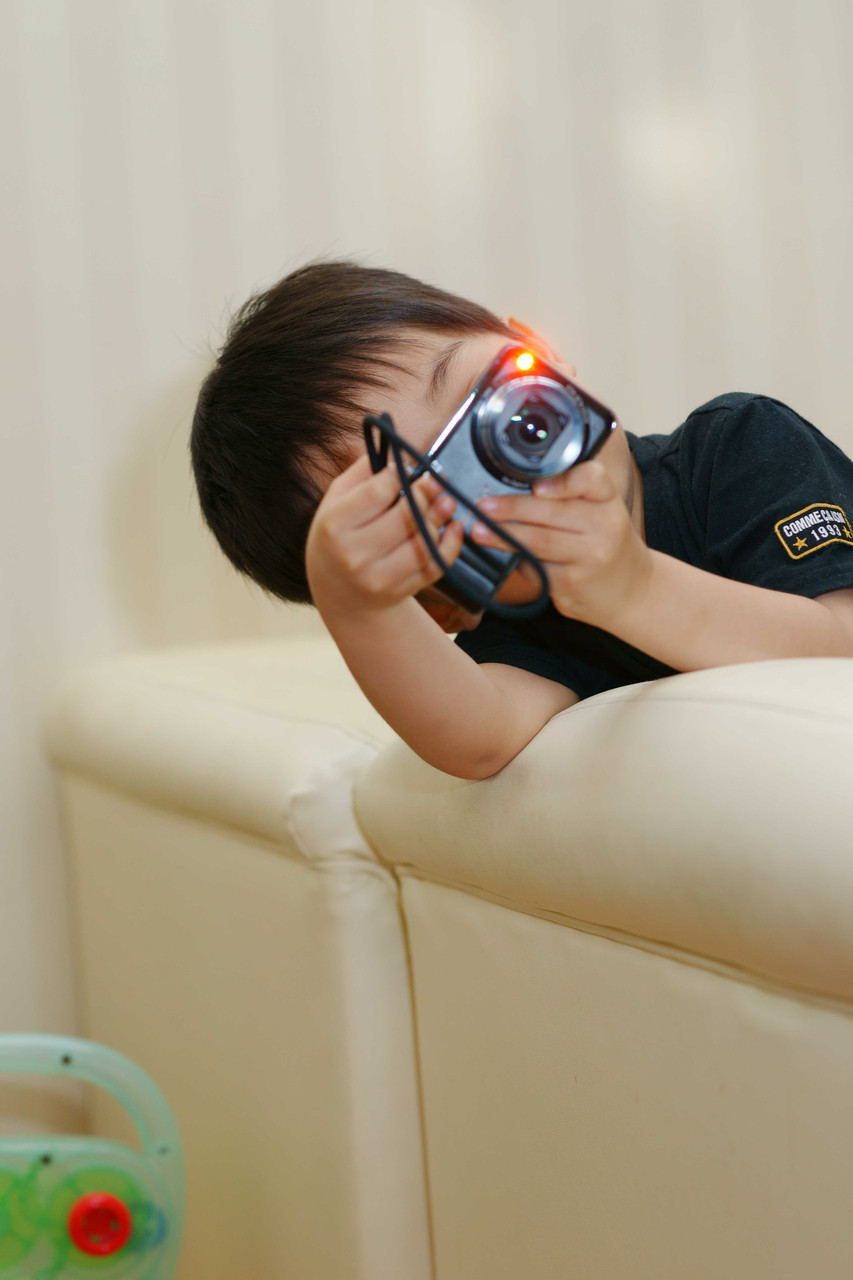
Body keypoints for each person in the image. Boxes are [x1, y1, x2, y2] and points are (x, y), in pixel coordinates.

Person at [190, 259, 853, 780]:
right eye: (441, 492)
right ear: (443, 608)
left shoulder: (737, 447)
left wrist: (636, 589)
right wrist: (360, 608)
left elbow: (841, 644)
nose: (508, 460)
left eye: (491, 402)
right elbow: (478, 742)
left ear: (533, 347)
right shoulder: (528, 625)